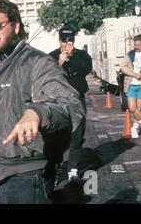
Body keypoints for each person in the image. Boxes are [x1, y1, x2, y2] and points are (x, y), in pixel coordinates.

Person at [0, 0, 85, 204]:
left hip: (24, 178)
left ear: (16, 26)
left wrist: (37, 113)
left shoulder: (37, 63)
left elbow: (70, 106)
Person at [49, 26, 92, 182]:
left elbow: (87, 69)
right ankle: (56, 167)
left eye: (70, 40)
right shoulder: (51, 56)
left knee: (77, 134)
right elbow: (47, 75)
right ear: (59, 40)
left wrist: (72, 58)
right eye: (64, 40)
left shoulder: (82, 55)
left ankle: (73, 168)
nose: (67, 44)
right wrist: (59, 62)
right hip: (57, 101)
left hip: (77, 100)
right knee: (56, 135)